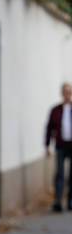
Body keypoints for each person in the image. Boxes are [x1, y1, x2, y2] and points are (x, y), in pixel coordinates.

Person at [45, 82, 72, 212]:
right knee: (59, 174)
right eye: (65, 92)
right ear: (62, 93)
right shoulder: (55, 110)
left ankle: (71, 201)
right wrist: (47, 146)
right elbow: (49, 128)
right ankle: (58, 201)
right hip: (60, 146)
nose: (67, 94)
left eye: (69, 92)